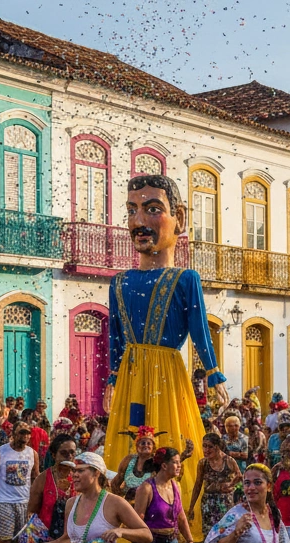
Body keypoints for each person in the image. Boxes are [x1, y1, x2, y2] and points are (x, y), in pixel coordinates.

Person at [104, 175, 227, 520]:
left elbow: (200, 329)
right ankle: (126, 509)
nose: (139, 222)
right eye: (132, 211)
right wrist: (112, 379)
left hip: (167, 374)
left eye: (152, 209)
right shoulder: (119, 282)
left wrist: (214, 374)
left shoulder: (185, 279)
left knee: (169, 435)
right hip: (130, 376)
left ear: (181, 219)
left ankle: (170, 511)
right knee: (132, 440)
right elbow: (114, 337)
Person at [189, 433, 241, 543]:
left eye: (209, 447)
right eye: (204, 446)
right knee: (211, 534)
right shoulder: (203, 463)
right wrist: (192, 506)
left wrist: (231, 485)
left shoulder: (228, 461)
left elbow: (239, 476)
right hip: (208, 502)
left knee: (226, 532)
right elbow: (198, 484)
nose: (206, 450)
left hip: (224, 502)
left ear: (217, 447)